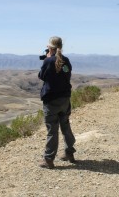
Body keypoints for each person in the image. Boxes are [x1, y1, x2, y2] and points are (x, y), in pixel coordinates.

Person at [38, 36, 76, 169]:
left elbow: (42, 76)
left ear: (50, 47)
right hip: (64, 99)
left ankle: (49, 159)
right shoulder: (66, 61)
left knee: (52, 130)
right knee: (65, 126)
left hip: (51, 100)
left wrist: (48, 58)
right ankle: (69, 153)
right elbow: (67, 75)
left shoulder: (48, 61)